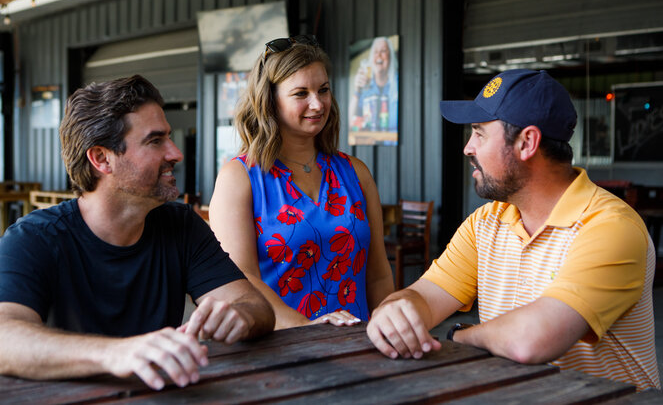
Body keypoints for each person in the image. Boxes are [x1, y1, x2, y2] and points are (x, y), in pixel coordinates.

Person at [367, 69, 660, 391]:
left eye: (479, 133)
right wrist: (394, 312)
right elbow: (425, 296)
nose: (468, 148)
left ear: (527, 143)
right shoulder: (485, 223)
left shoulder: (610, 226)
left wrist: (460, 336)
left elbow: (532, 340)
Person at [0, 75, 274, 390]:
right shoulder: (34, 238)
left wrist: (241, 316)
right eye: (155, 141)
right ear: (102, 159)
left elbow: (256, 306)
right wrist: (116, 353)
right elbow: (5, 337)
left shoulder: (182, 225)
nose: (176, 153)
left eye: (168, 137)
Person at [209, 35, 394, 330]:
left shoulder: (355, 172)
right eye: (301, 94)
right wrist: (308, 330)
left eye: (323, 90)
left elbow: (379, 275)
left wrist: (391, 330)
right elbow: (241, 279)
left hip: (358, 343)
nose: (317, 104)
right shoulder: (240, 177)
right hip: (281, 345)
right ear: (270, 101)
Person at [349, 37, 398, 133]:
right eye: (375, 52)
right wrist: (357, 91)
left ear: (390, 56)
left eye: (383, 51)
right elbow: (350, 123)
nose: (378, 55)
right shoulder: (365, 86)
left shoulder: (399, 83)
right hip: (370, 140)